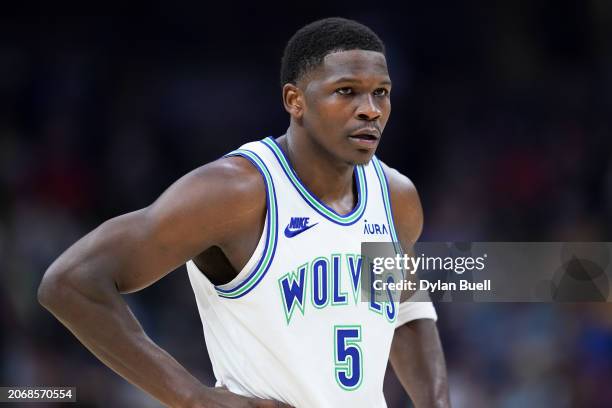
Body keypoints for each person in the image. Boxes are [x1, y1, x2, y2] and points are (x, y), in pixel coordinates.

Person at [38, 17, 450, 408]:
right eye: (346, 91)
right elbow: (71, 283)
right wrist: (191, 396)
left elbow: (407, 308)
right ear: (295, 101)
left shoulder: (396, 198)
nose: (370, 109)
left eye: (381, 92)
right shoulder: (237, 191)